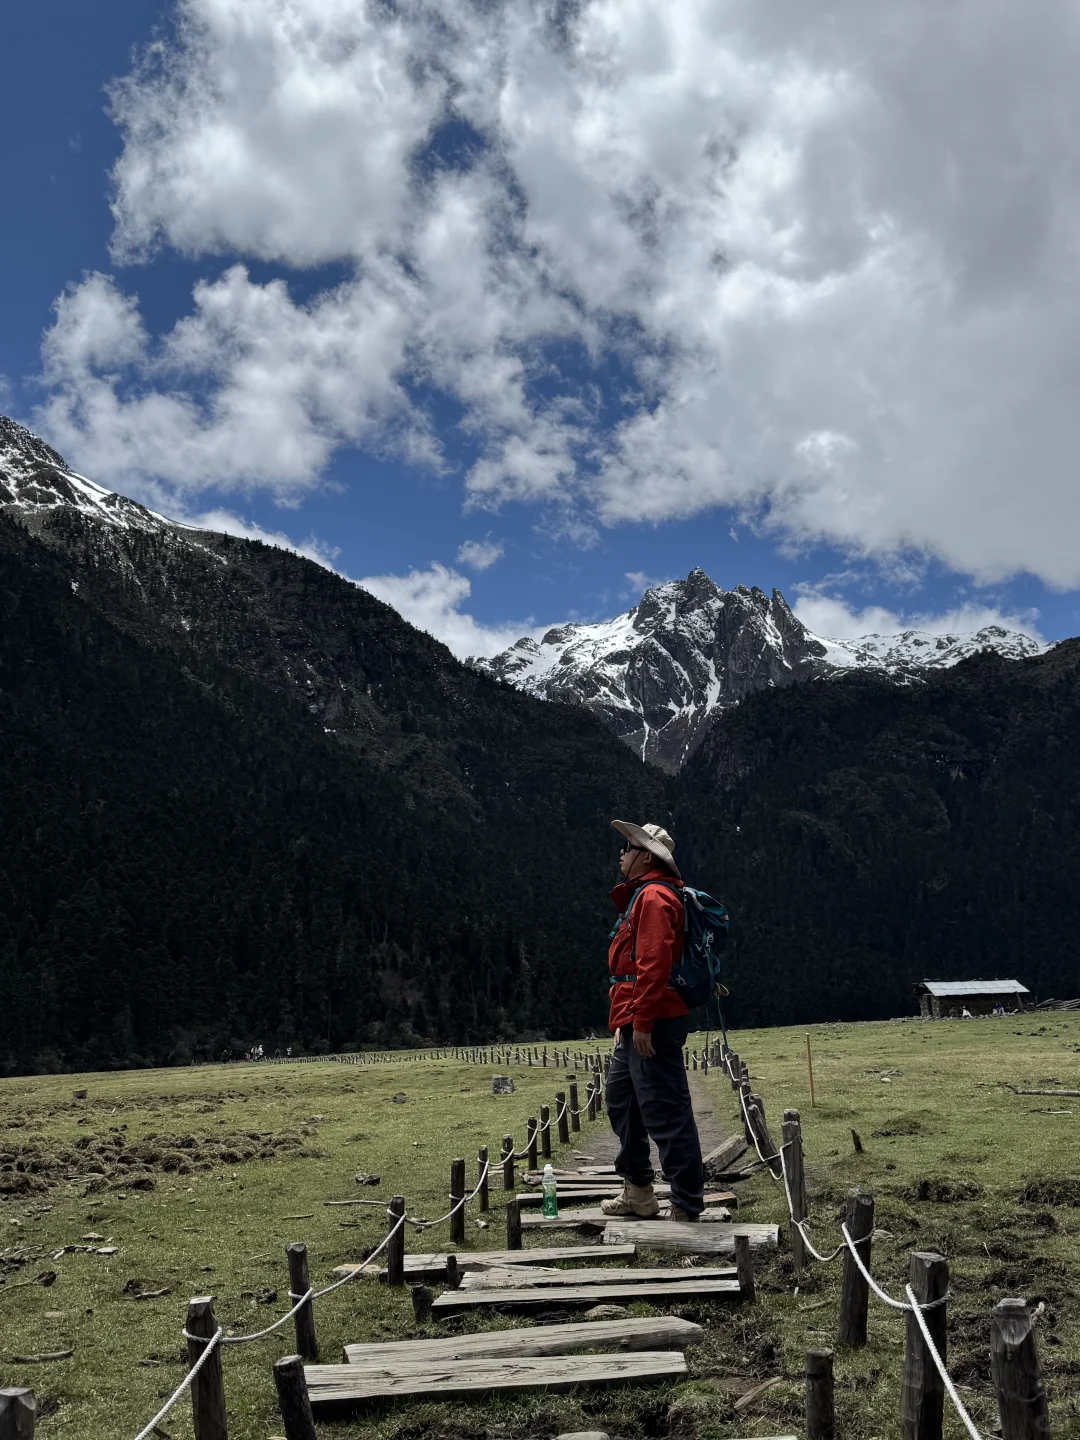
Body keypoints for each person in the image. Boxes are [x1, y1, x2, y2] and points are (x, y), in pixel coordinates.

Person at [600, 819, 705, 1224]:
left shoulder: (654, 897)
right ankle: (639, 1191)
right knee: (622, 1101)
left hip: (654, 1019)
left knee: (665, 1109)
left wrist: (641, 1022)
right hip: (636, 1018)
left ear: (645, 856)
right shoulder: (642, 896)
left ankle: (687, 1204)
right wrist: (627, 1023)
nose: (621, 854)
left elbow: (654, 964)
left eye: (627, 848)